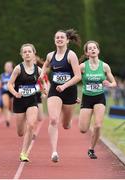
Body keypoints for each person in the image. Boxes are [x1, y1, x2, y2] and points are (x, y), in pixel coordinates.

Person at [40, 29, 81, 162]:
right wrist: (42, 75)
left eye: (62, 37)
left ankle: (68, 116)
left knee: (66, 125)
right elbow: (45, 66)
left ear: (67, 40)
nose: (59, 39)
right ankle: (54, 152)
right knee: (53, 120)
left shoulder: (71, 55)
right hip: (55, 91)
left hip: (69, 91)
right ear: (54, 40)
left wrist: (64, 86)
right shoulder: (50, 55)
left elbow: (78, 76)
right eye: (57, 37)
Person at [78, 40, 117, 159]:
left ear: (98, 50)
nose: (92, 50)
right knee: (83, 129)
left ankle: (91, 149)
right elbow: (74, 79)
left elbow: (114, 82)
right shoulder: (83, 66)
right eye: (90, 49)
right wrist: (74, 96)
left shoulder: (104, 66)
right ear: (87, 53)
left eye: (94, 48)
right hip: (87, 98)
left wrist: (109, 85)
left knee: (98, 125)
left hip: (99, 97)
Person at [7, 43, 45, 162]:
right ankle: (24, 135)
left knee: (31, 125)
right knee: (20, 132)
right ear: (22, 55)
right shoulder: (18, 68)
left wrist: (44, 91)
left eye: (29, 51)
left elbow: (42, 84)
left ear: (34, 54)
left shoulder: (38, 70)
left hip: (32, 101)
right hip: (19, 102)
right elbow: (9, 84)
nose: (27, 53)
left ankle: (24, 153)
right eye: (25, 52)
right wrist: (15, 93)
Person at [0, 61, 14, 126]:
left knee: (11, 107)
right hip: (5, 91)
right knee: (6, 105)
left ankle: (8, 117)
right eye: (6, 66)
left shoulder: (14, 74)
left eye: (9, 66)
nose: (8, 68)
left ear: (12, 68)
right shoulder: (2, 75)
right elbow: (0, 83)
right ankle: (7, 120)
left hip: (12, 91)